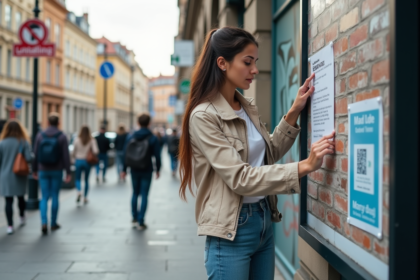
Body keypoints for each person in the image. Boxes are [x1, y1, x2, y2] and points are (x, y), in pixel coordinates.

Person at [177, 27, 335, 280]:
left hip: (263, 221)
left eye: (255, 62)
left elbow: (268, 153)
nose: (254, 70)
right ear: (222, 63)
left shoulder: (245, 106)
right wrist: (304, 166)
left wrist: (294, 111)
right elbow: (240, 178)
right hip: (231, 231)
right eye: (247, 62)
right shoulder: (204, 116)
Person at [121, 114, 161, 230]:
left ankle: (134, 217)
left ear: (138, 123)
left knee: (134, 193)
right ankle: (141, 221)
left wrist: (124, 169)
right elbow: (157, 156)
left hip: (134, 169)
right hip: (147, 169)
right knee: (144, 194)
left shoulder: (131, 136)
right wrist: (157, 169)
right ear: (149, 123)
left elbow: (125, 154)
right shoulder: (152, 138)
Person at [33, 112, 71, 235]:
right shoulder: (62, 136)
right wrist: (68, 171)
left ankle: (44, 222)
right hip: (57, 169)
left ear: (48, 122)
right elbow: (66, 155)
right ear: (58, 122)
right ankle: (53, 223)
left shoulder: (40, 135)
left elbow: (36, 154)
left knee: (44, 197)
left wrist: (34, 170)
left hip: (43, 169)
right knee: (55, 196)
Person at [0, 120, 32, 235]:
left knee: (8, 200)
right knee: (21, 198)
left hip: (5, 175)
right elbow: (28, 158)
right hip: (20, 174)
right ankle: (22, 217)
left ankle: (9, 225)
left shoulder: (2, 143)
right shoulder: (23, 142)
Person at [72, 125, 99, 204]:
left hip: (78, 161)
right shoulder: (92, 140)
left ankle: (79, 191)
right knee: (86, 180)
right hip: (87, 161)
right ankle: (85, 197)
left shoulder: (77, 140)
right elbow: (96, 151)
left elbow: (73, 152)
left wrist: (74, 157)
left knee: (78, 178)